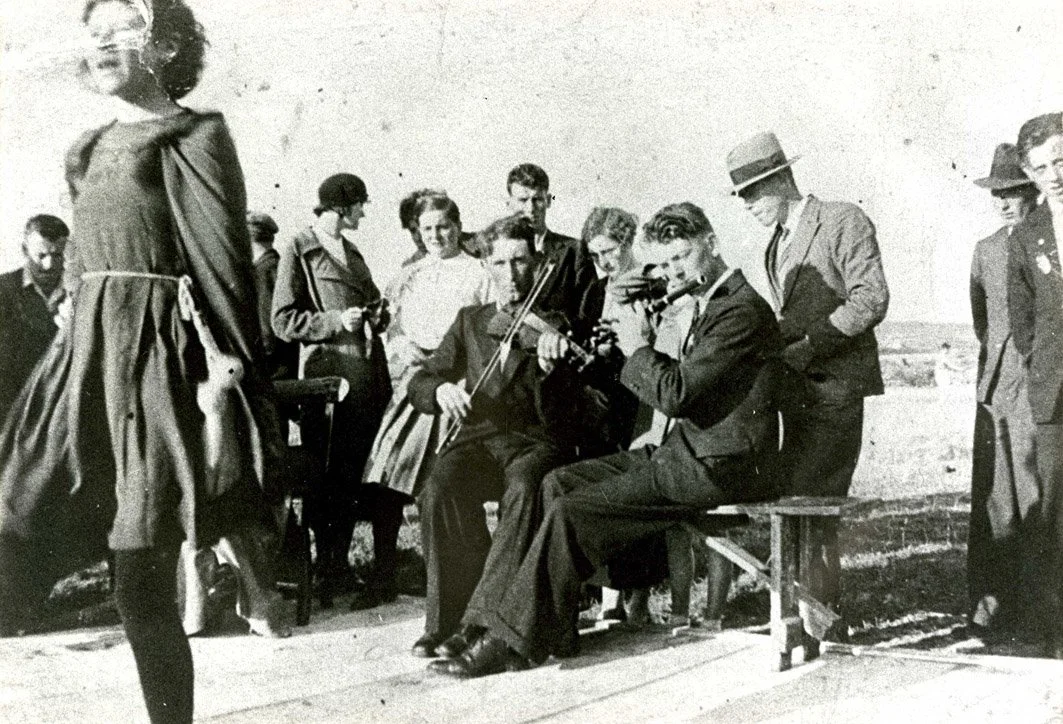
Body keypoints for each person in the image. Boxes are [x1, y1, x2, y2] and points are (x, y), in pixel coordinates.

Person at [0, 1, 280, 720]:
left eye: (121, 31)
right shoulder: (87, 147)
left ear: (165, 45)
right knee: (18, 519)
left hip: (157, 367)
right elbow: (79, 263)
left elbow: (222, 264)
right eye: (92, 34)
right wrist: (69, 319)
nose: (101, 45)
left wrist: (232, 381)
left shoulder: (195, 134)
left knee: (140, 577)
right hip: (86, 366)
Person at [431, 202, 786, 677]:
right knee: (556, 482)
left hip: (718, 465)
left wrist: (637, 344)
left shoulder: (738, 311)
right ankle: (545, 629)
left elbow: (675, 394)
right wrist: (623, 350)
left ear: (712, 244)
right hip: (686, 453)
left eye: (682, 257)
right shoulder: (710, 303)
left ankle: (511, 641)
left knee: (572, 511)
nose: (673, 271)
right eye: (665, 263)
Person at [406, 213, 607, 658]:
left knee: (524, 484)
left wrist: (552, 371)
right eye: (500, 263)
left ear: (536, 264)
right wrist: (440, 390)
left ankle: (484, 623)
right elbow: (422, 379)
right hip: (478, 442)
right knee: (438, 487)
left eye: (520, 262)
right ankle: (444, 621)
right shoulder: (470, 320)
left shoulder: (557, 324)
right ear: (487, 267)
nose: (511, 274)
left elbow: (568, 412)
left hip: (535, 442)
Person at [727, 131, 889, 623]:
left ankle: (821, 618)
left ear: (782, 179)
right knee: (798, 505)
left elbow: (871, 299)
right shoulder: (775, 244)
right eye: (741, 195)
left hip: (835, 391)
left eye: (753, 191)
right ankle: (804, 614)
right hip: (796, 395)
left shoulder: (842, 219)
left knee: (815, 507)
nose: (748, 204)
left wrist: (810, 347)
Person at [357, 193, 490, 609]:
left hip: (458, 382)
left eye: (444, 227)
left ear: (458, 227)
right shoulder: (409, 274)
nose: (436, 235)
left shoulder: (478, 273)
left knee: (445, 482)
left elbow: (484, 331)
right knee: (387, 475)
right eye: (427, 229)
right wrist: (403, 347)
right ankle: (384, 573)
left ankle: (463, 583)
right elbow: (392, 328)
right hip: (417, 380)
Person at [271, 172, 394, 609]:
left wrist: (378, 314)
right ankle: (325, 570)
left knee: (357, 475)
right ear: (341, 207)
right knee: (328, 477)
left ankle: (339, 568)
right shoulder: (299, 248)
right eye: (359, 205)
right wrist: (335, 322)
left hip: (367, 377)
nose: (363, 213)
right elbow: (282, 320)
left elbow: (373, 300)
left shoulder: (352, 251)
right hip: (328, 383)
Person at [964, 143, 1041, 638]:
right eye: (998, 193)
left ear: (1035, 191)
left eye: (1014, 191)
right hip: (994, 393)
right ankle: (992, 607)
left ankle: (1039, 614)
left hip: (1039, 391)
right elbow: (982, 322)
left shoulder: (1050, 242)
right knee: (995, 500)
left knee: (1037, 497)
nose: (1005, 202)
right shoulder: (986, 250)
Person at [1009, 112, 1063, 658]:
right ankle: (1056, 631)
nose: (1055, 175)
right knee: (1055, 510)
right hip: (1055, 395)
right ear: (1029, 173)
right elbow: (1021, 321)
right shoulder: (1028, 235)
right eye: (1042, 167)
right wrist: (1045, 364)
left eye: (1062, 161)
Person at [0, 215, 70, 423]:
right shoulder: (3, 290)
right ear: (24, 250)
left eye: (57, 255)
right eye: (41, 255)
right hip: (11, 409)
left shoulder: (80, 291)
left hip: (61, 409)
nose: (49, 265)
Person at [504, 163, 596, 319]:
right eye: (523, 200)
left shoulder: (575, 251)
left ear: (548, 200)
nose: (530, 208)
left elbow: (587, 315)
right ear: (509, 204)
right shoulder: (498, 254)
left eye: (537, 199)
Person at [248, 211, 297, 381]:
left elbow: (267, 331)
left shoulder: (262, 273)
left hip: (271, 371)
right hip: (287, 364)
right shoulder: (281, 268)